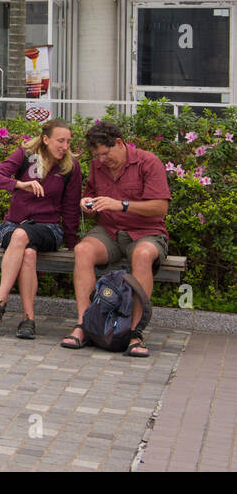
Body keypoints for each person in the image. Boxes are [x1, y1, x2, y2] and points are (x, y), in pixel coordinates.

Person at [62, 121, 170, 357]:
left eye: (105, 153)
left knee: (142, 256)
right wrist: (88, 203)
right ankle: (85, 325)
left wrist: (121, 205)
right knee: (83, 251)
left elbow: (160, 208)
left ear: (119, 143)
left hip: (146, 232)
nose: (101, 160)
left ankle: (133, 333)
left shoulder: (147, 162)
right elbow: (91, 192)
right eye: (97, 155)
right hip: (109, 230)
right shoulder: (96, 166)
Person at [0, 119, 82, 338]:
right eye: (60, 141)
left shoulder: (71, 166)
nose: (65, 147)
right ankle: (29, 320)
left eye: (68, 142)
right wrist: (20, 184)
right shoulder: (25, 155)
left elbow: (71, 208)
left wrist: (73, 245)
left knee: (21, 236)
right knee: (27, 252)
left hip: (49, 229)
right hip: (14, 224)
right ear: (46, 139)